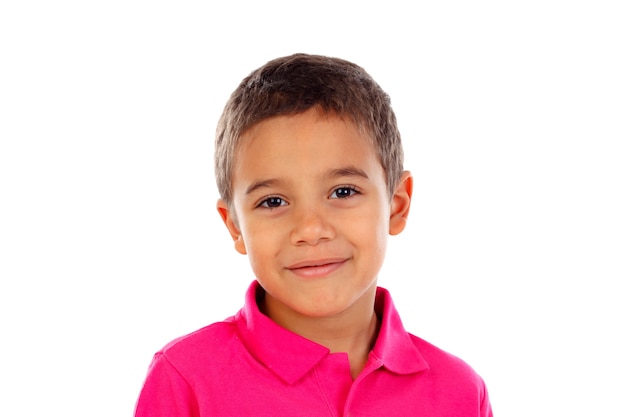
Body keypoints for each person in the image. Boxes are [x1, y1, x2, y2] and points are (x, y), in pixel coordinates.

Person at [134, 53, 493, 416]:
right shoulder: (186, 379)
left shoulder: (460, 392)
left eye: (343, 192)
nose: (310, 229)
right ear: (235, 226)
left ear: (397, 205)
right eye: (273, 201)